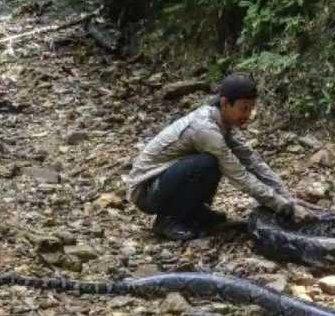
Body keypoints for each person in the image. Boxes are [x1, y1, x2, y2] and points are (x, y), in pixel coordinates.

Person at [125, 73, 313, 240]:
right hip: (146, 191)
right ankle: (168, 221)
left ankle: (194, 212)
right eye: (244, 108)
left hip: (166, 181)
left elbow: (252, 160)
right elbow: (240, 176)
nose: (248, 115)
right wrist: (282, 207)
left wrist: (286, 197)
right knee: (207, 163)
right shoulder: (205, 130)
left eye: (251, 109)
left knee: (210, 163)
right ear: (224, 103)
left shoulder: (224, 122)